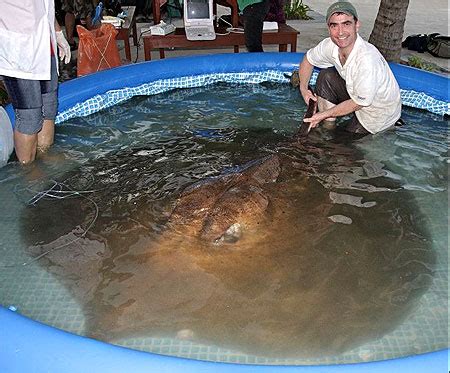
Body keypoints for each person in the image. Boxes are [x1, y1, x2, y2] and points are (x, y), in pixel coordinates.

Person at [298, 1, 402, 136]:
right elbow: (308, 60)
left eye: (346, 24)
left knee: (341, 147)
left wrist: (322, 115)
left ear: (357, 25)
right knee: (326, 76)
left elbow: (358, 103)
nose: (340, 32)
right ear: (328, 28)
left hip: (378, 112)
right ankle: (328, 128)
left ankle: (330, 127)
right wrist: (303, 88)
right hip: (357, 94)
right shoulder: (330, 45)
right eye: (334, 25)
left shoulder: (366, 60)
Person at [0, 0, 71, 164]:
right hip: (16, 51)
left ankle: (44, 155)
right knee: (29, 117)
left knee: (49, 107)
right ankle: (29, 170)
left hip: (45, 44)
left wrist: (58, 31)